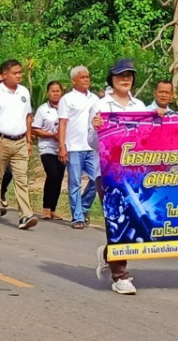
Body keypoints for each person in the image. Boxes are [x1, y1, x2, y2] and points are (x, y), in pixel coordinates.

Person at [94, 59, 150, 295]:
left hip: (134, 173)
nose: (125, 79)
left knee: (135, 221)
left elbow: (149, 137)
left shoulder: (140, 105)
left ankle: (109, 253)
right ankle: (120, 275)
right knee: (117, 219)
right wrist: (96, 128)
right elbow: (92, 142)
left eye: (129, 75)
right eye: (120, 76)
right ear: (112, 80)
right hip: (109, 174)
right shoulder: (101, 105)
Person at [0, 59, 37, 229]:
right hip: (0, 140)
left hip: (20, 141)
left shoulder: (24, 92)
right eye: (15, 73)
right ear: (5, 74)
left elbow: (28, 116)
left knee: (22, 179)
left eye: (20, 72)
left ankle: (25, 216)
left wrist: (29, 140)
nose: (19, 75)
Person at [57, 65, 101, 230]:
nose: (86, 79)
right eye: (82, 77)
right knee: (74, 183)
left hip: (91, 147)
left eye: (88, 76)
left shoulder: (95, 99)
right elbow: (62, 123)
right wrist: (62, 146)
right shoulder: (67, 99)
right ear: (74, 80)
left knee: (97, 180)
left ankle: (82, 208)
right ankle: (77, 218)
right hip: (74, 146)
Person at [33, 81, 65, 220]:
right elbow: (35, 129)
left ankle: (53, 209)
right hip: (47, 146)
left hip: (63, 147)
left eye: (58, 91)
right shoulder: (42, 109)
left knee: (59, 177)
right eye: (53, 91)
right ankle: (46, 207)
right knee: (52, 175)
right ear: (48, 93)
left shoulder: (66, 108)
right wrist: (52, 135)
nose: (55, 93)